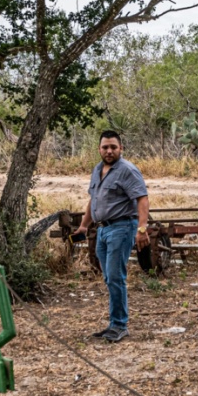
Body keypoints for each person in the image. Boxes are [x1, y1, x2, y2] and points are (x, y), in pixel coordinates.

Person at [74, 131, 150, 342]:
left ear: (121, 148)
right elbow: (94, 200)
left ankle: (119, 325)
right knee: (109, 276)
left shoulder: (127, 170)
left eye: (113, 147)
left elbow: (142, 198)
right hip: (102, 229)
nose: (109, 151)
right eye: (105, 147)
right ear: (99, 149)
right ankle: (114, 323)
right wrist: (84, 226)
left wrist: (142, 229)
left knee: (116, 276)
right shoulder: (97, 170)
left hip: (122, 227)